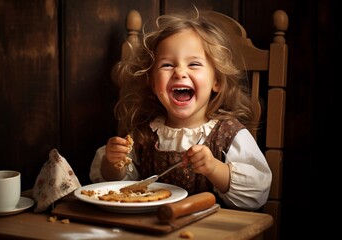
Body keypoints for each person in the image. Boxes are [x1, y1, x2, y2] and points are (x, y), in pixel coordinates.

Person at [90, 8, 272, 210]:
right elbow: (118, 185)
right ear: (152, 83)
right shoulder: (144, 134)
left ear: (217, 82)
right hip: (151, 228)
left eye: (194, 64)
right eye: (167, 65)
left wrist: (214, 169)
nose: (180, 72)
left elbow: (258, 191)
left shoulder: (230, 134)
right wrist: (112, 162)